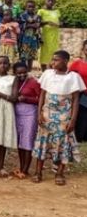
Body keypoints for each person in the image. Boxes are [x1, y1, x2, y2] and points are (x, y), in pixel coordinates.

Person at [32, 50, 85, 186]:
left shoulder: (73, 77)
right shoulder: (48, 74)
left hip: (63, 116)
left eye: (56, 60)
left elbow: (75, 100)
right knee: (43, 141)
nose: (52, 62)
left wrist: (73, 120)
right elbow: (42, 95)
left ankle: (60, 172)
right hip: (47, 114)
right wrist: (39, 114)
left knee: (63, 143)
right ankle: (38, 171)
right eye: (52, 60)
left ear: (66, 61)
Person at [12, 62, 40, 179]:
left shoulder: (33, 82)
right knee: (20, 142)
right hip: (17, 113)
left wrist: (26, 99)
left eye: (24, 72)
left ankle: (25, 169)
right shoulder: (15, 82)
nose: (22, 75)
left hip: (30, 113)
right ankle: (21, 166)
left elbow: (40, 99)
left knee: (27, 140)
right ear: (14, 73)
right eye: (19, 73)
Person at [68, 40, 87, 143]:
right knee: (82, 119)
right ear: (83, 50)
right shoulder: (77, 63)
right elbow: (69, 77)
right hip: (82, 95)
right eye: (86, 49)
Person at [38, 0, 60, 70]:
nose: (50, 2)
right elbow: (38, 23)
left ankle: (52, 70)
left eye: (52, 1)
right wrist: (47, 22)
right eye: (48, 0)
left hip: (54, 35)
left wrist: (58, 24)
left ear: (54, 2)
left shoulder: (57, 11)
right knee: (44, 53)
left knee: (53, 52)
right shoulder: (41, 11)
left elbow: (62, 22)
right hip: (45, 35)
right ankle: (44, 72)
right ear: (45, 1)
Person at [18, 0, 41, 70]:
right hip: (24, 38)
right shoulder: (22, 15)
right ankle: (23, 69)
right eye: (29, 7)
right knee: (23, 55)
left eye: (33, 7)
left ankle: (29, 69)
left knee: (31, 55)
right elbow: (21, 25)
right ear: (26, 7)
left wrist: (29, 25)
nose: (31, 8)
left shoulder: (37, 16)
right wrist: (32, 25)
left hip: (33, 38)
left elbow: (38, 25)